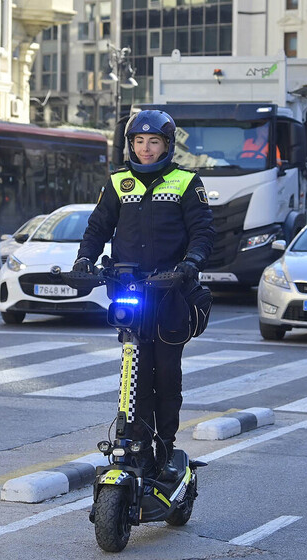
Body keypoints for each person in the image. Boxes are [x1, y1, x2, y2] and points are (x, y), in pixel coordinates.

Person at [73, 109, 214, 480]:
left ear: (167, 145)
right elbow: (97, 228)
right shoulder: (118, 182)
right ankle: (137, 447)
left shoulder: (186, 181)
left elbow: (203, 232)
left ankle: (165, 447)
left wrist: (190, 263)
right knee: (135, 376)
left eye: (153, 141)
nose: (146, 148)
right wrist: (85, 259)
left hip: (170, 294)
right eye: (139, 141)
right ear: (131, 144)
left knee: (165, 375)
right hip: (130, 291)